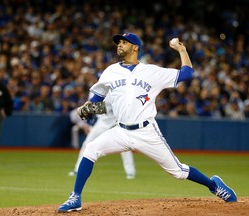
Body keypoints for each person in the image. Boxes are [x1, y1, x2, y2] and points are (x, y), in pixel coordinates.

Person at [58, 33, 237, 212]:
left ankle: (214, 186)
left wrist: (181, 50)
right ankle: (76, 197)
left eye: (124, 42)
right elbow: (98, 96)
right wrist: (88, 107)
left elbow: (187, 74)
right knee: (90, 149)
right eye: (118, 42)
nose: (119, 45)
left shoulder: (152, 72)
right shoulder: (110, 71)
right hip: (120, 131)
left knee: (178, 171)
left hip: (146, 132)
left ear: (135, 47)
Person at [68, 93, 136, 179]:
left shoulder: (115, 89)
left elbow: (110, 109)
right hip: (102, 123)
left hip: (115, 122)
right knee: (87, 144)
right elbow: (93, 107)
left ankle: (130, 172)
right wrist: (86, 114)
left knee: (125, 147)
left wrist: (87, 109)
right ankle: (77, 169)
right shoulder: (94, 89)